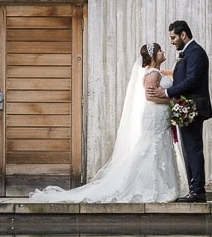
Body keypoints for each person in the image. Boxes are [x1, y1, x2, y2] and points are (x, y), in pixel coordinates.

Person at [29, 43, 180, 203]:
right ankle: (150, 186)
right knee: (151, 147)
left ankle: (158, 185)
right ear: (154, 55)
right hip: (154, 115)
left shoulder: (157, 72)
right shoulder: (153, 74)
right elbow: (150, 97)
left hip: (159, 116)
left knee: (157, 146)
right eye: (160, 50)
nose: (163, 52)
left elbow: (168, 79)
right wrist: (171, 101)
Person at [146, 20, 212, 203]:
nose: (172, 41)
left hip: (193, 107)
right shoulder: (187, 53)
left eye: (173, 37)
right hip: (185, 107)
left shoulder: (196, 53)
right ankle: (194, 190)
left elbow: (191, 80)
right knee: (189, 150)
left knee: (193, 149)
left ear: (183, 35)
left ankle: (198, 191)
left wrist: (166, 92)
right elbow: (182, 77)